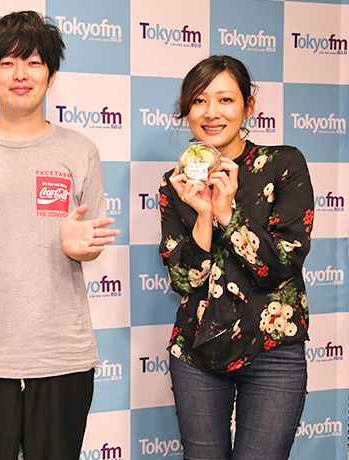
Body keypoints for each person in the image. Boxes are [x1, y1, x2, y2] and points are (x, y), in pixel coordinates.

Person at [0, 10, 120, 460]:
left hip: (62, 353)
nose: (21, 75)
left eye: (34, 62)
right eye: (8, 63)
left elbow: (90, 244)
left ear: (51, 75)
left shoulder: (81, 150)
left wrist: (80, 249)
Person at [158, 55, 314, 460]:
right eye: (199, 101)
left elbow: (281, 266)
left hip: (273, 351)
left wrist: (227, 213)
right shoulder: (176, 184)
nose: (211, 112)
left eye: (225, 100)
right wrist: (204, 215)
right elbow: (185, 280)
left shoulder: (283, 164)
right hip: (197, 352)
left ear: (248, 107)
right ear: (186, 110)